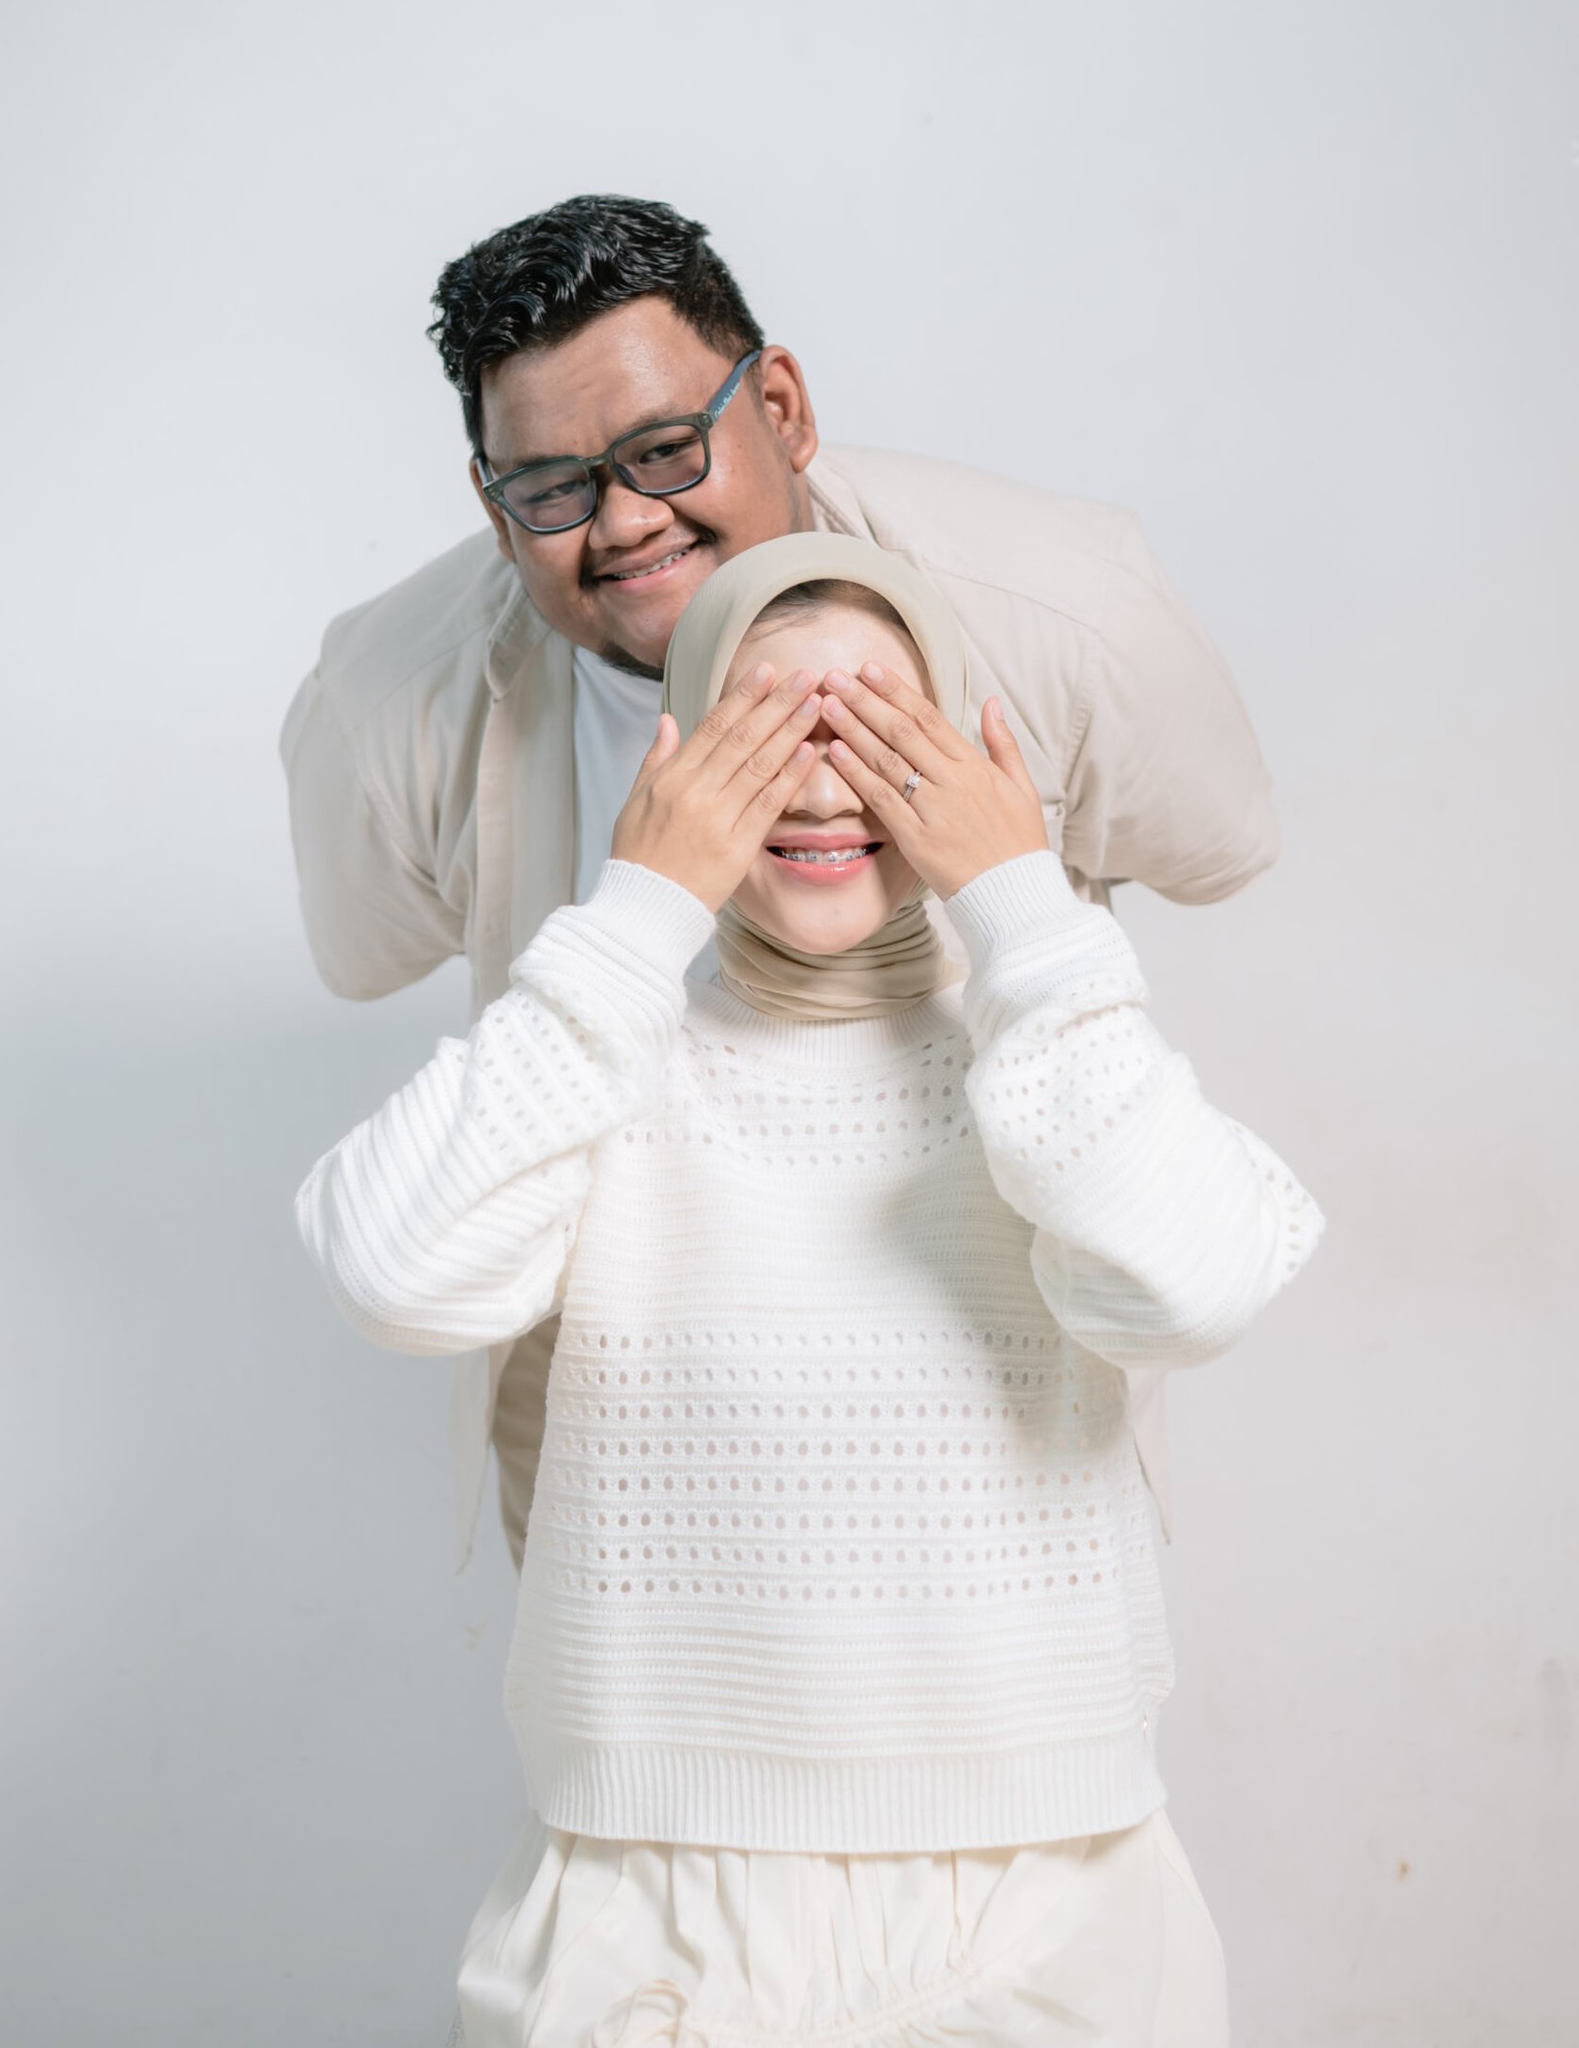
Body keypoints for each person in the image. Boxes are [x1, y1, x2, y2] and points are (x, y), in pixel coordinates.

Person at [297, 533, 1321, 2046]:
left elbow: (1199, 1284)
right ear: (679, 756)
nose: (827, 781)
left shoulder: (1051, 1055)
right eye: (765, 726)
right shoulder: (598, 1045)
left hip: (1049, 1897)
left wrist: (1025, 904)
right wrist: (639, 908)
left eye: (883, 729)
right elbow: (395, 1270)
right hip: (645, 1906)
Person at [280, 194, 1281, 1571]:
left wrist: (1013, 888)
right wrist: (646, 902)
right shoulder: (387, 698)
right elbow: (366, 956)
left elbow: (1221, 845)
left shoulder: (1071, 613)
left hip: (1012, 1463)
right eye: (553, 487)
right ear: (494, 506)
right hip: (626, 1509)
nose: (626, 522)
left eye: (665, 449)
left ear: (785, 409)